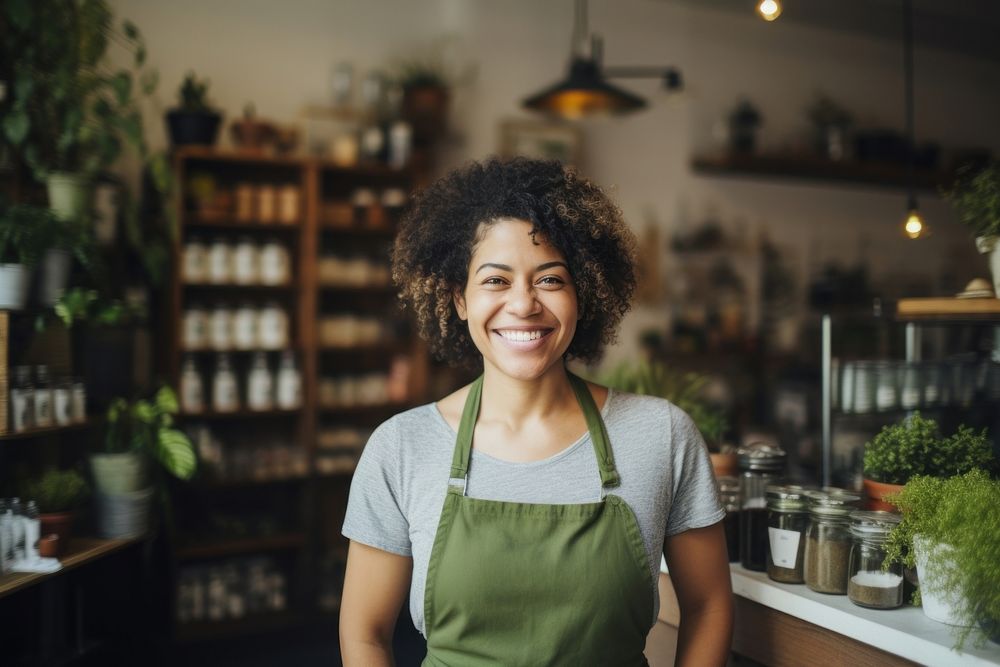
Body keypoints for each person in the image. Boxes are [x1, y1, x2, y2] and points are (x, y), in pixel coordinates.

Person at [340, 157, 733, 666]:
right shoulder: (401, 447)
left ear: (582, 295)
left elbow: (709, 608)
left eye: (550, 280)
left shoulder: (660, 435)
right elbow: (365, 633)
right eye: (496, 281)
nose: (523, 305)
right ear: (459, 299)